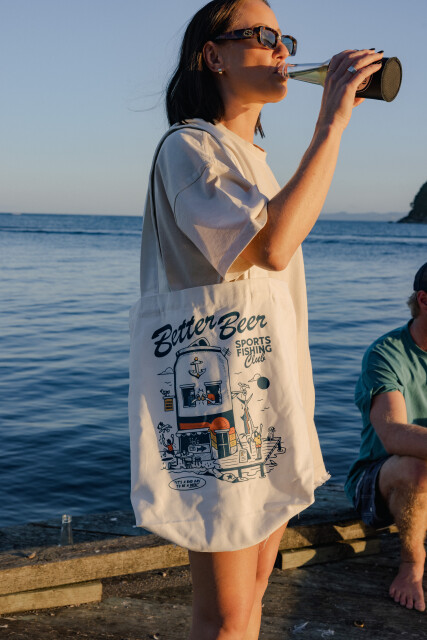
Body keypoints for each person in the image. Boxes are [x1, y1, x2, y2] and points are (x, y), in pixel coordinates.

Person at [137, 1, 383, 638]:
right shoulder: (189, 147)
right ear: (212, 55)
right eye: (261, 35)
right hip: (216, 401)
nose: (281, 50)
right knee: (224, 616)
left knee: (251, 601)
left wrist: (331, 127)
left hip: (267, 394)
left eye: (284, 38)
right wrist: (330, 123)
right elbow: (270, 247)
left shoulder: (254, 161)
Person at [345, 262, 427, 613]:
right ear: (424, 300)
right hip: (381, 477)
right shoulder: (387, 353)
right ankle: (411, 565)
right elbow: (393, 434)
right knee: (415, 468)